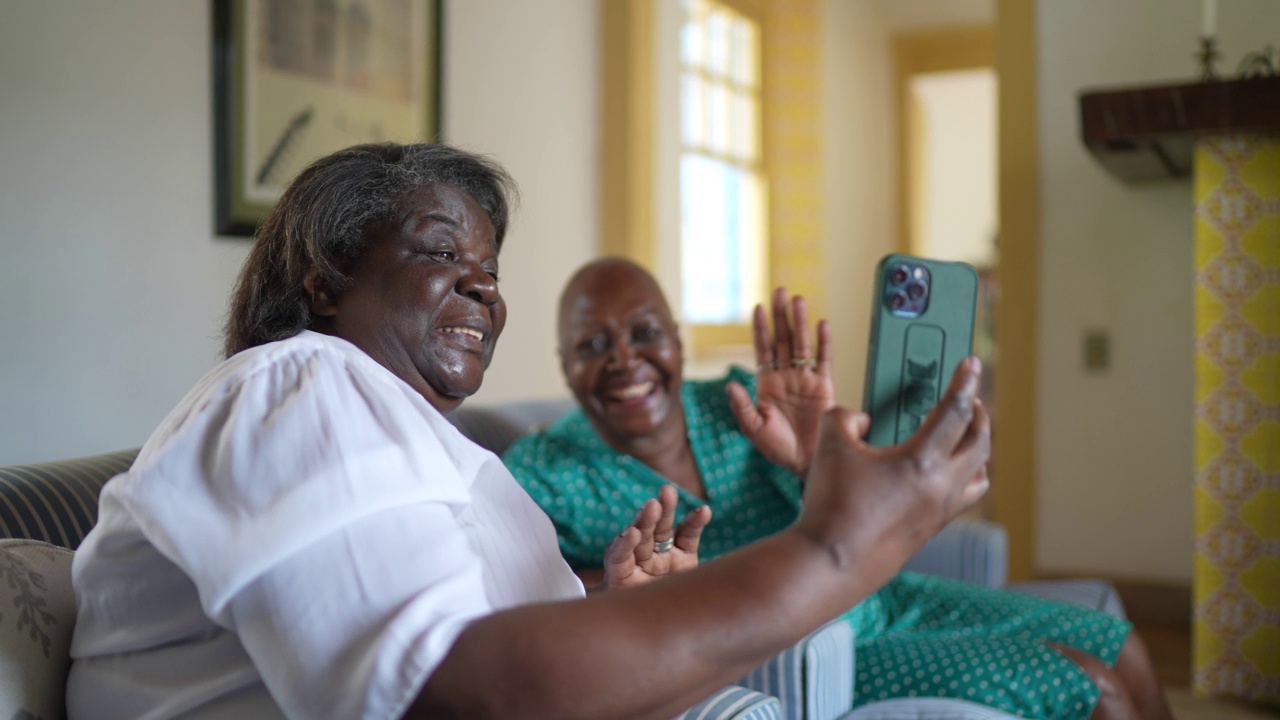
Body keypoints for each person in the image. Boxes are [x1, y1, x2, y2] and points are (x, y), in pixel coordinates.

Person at [66, 143, 991, 720]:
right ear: (325, 283)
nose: (482, 287)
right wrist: (840, 548)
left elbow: (446, 623)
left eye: (490, 267)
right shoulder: (300, 381)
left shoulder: (429, 444)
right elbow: (452, 693)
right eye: (440, 253)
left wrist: (607, 608)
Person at [503, 257, 1176, 720]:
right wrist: (621, 583)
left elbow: (858, 517)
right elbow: (530, 603)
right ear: (565, 367)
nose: (624, 359)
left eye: (645, 333)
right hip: (808, 651)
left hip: (885, 598)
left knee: (1126, 648)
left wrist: (815, 454)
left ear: (677, 342)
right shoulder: (543, 471)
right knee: (1093, 687)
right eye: (592, 345)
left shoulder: (741, 401)